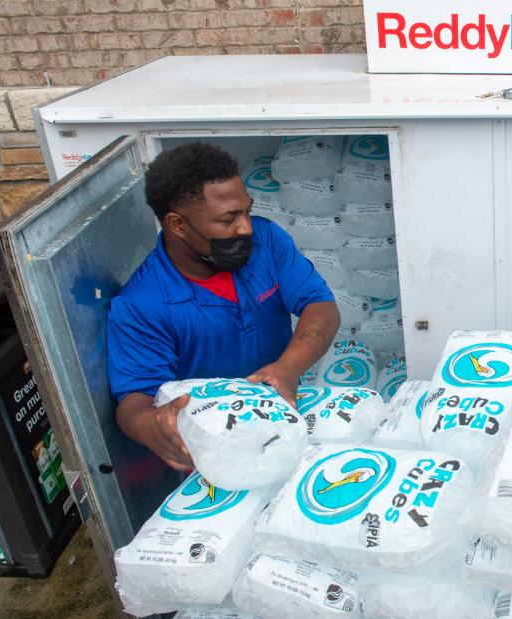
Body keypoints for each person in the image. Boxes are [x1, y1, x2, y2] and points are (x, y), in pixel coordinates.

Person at [107, 142, 340, 470]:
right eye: (228, 219)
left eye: (247, 210)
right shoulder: (141, 305)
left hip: (287, 418)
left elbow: (320, 305)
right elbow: (135, 400)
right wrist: (153, 426)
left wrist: (288, 367)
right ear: (177, 225)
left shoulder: (267, 241)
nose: (246, 227)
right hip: (218, 457)